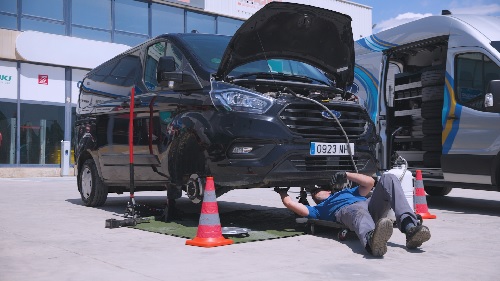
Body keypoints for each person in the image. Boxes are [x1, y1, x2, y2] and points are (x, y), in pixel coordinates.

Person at [275, 172, 431, 257]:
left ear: (329, 190)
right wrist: (282, 192)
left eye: (317, 190)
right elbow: (291, 204)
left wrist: (346, 175)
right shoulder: (319, 209)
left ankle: (410, 228)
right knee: (357, 211)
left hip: (370, 206)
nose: (315, 193)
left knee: (388, 177)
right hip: (348, 212)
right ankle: (372, 242)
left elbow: (369, 182)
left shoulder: (348, 191)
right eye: (313, 193)